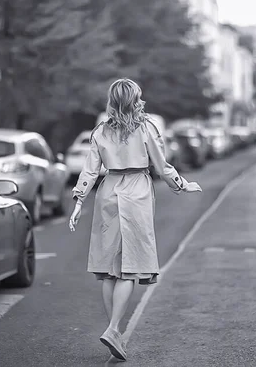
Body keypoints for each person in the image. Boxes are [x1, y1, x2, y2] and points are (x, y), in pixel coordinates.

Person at [68, 78, 202, 361]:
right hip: (137, 192)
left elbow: (91, 172)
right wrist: (181, 185)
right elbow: (162, 166)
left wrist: (79, 200)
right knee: (130, 266)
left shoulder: (100, 132)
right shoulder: (146, 128)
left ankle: (113, 331)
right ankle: (115, 328)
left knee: (108, 268)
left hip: (108, 192)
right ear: (134, 99)